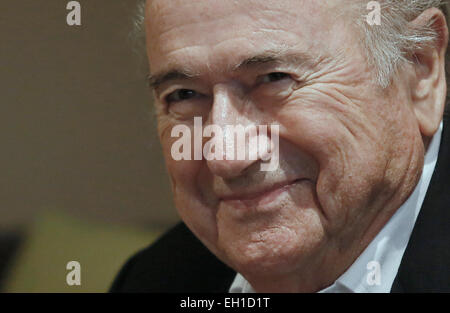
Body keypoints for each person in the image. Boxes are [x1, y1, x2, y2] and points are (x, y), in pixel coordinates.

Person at [110, 0, 450, 292]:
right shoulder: (156, 279)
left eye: (274, 79)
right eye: (184, 95)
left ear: (419, 68)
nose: (226, 155)